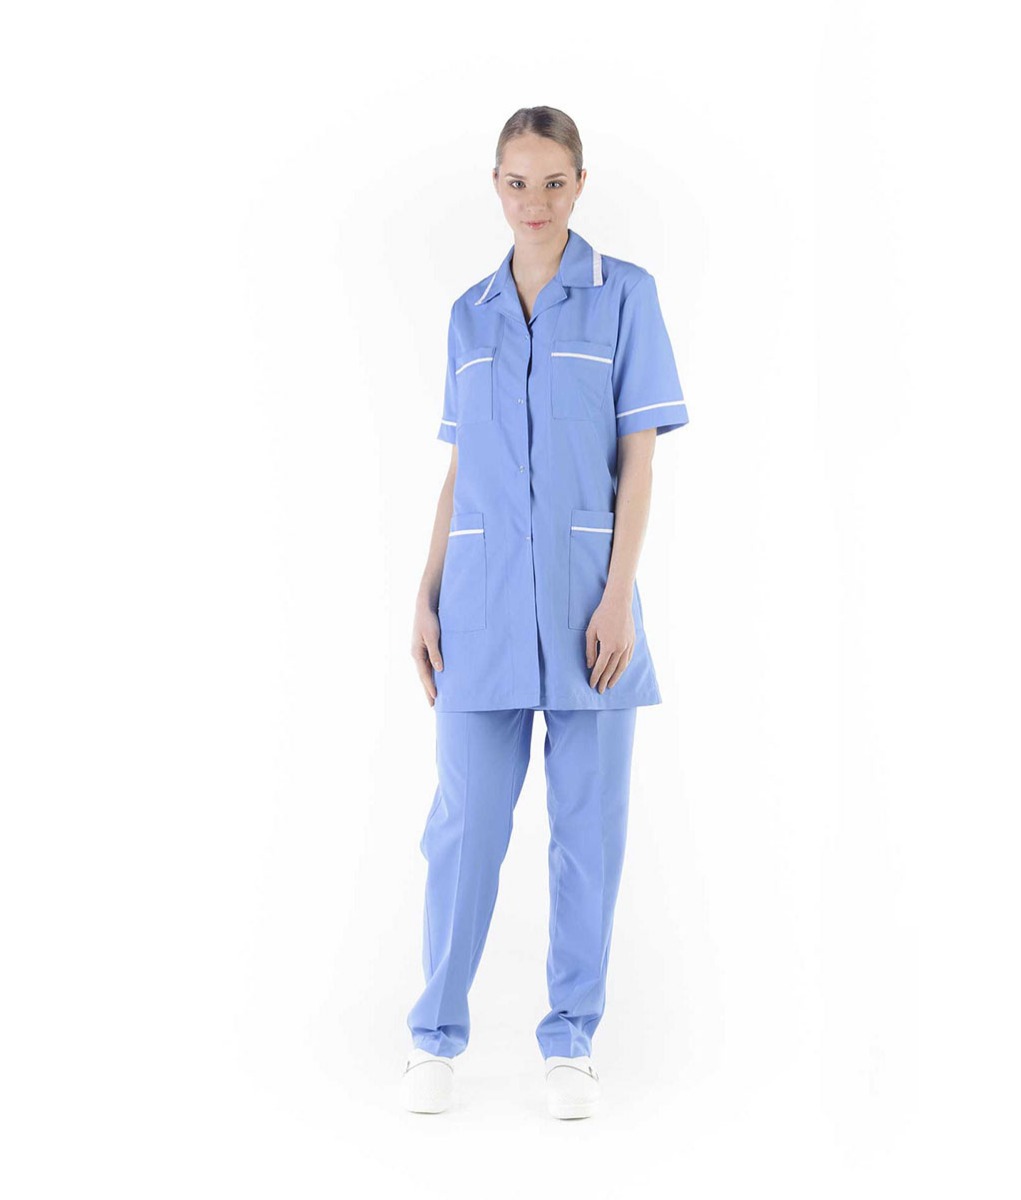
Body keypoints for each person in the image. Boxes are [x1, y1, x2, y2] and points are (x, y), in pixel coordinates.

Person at [401, 106, 689, 1119]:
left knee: (586, 835)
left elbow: (638, 460)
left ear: (580, 184)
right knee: (463, 831)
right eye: (518, 182)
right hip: (476, 609)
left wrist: (618, 597)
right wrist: (425, 593)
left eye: (554, 182)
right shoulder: (469, 315)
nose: (535, 202)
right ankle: (433, 1037)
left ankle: (571, 1041)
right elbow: (462, 468)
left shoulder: (625, 298)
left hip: (586, 611)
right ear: (496, 184)